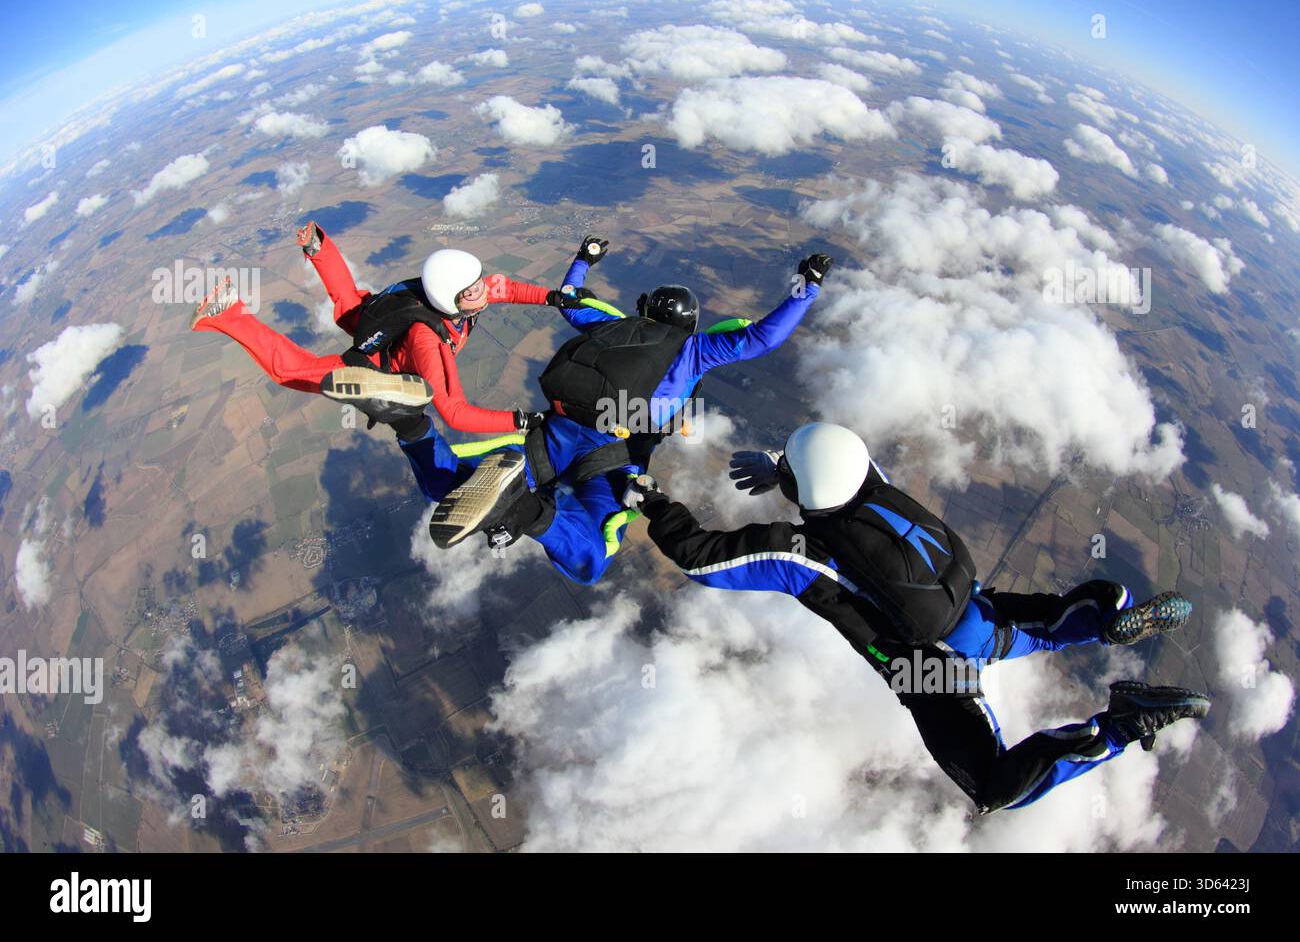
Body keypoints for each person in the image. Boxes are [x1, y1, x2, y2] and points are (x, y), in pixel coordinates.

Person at [626, 421, 1210, 813]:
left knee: (992, 787)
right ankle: (1112, 610)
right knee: (1052, 627)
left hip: (936, 671)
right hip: (980, 611)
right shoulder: (877, 486)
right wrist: (783, 468)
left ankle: (1119, 728)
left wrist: (651, 499)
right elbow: (836, 467)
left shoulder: (800, 556)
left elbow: (699, 559)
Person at [394, 236, 834, 585]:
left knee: (446, 486)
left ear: (644, 311)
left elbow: (568, 296)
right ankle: (525, 512)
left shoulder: (612, 323)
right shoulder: (694, 349)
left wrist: (585, 257)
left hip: (553, 434)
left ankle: (409, 423)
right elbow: (762, 338)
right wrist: (806, 287)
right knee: (591, 559)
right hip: (611, 459)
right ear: (690, 323)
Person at [190, 221, 554, 430]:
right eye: (471, 290)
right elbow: (456, 413)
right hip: (378, 366)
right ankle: (225, 313)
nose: (481, 291)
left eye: (479, 281)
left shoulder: (462, 292)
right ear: (448, 297)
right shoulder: (429, 342)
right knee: (290, 372)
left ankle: (320, 249)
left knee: (351, 308)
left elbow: (507, 288)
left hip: (385, 328)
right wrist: (524, 420)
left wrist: (553, 297)